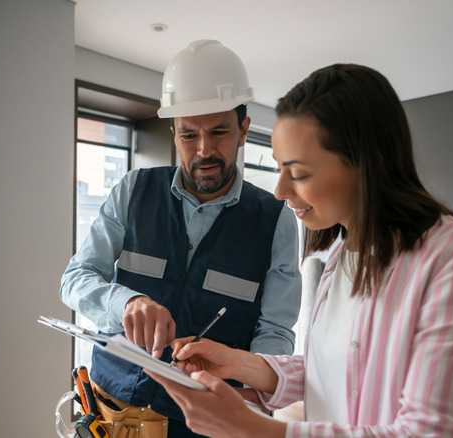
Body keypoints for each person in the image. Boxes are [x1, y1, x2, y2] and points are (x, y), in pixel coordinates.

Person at [147, 63, 453, 437]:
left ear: (367, 162)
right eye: (279, 169)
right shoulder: (343, 254)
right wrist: (241, 365)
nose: (281, 191)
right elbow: (339, 373)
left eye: (300, 173)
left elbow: (434, 432)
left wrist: (254, 430)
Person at [59, 39, 302, 437]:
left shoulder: (275, 219)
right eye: (189, 135)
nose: (204, 149)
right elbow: (75, 278)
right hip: (111, 409)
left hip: (205, 418)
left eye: (219, 131)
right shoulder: (132, 191)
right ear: (173, 133)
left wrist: (250, 397)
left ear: (243, 130)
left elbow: (275, 331)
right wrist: (127, 302)